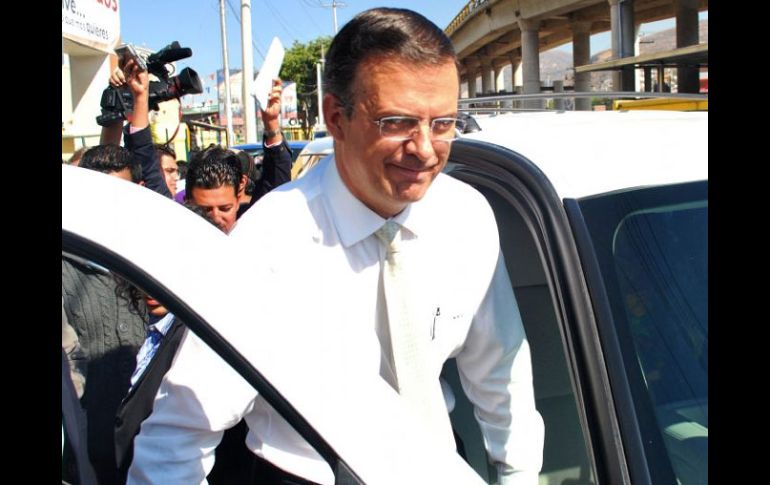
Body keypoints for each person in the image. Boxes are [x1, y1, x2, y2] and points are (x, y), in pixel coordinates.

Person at [129, 8, 544, 485]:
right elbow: (180, 432)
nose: (426, 149)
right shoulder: (267, 243)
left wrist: (517, 475)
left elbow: (501, 378)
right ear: (336, 118)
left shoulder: (466, 219)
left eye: (443, 123)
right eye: (398, 122)